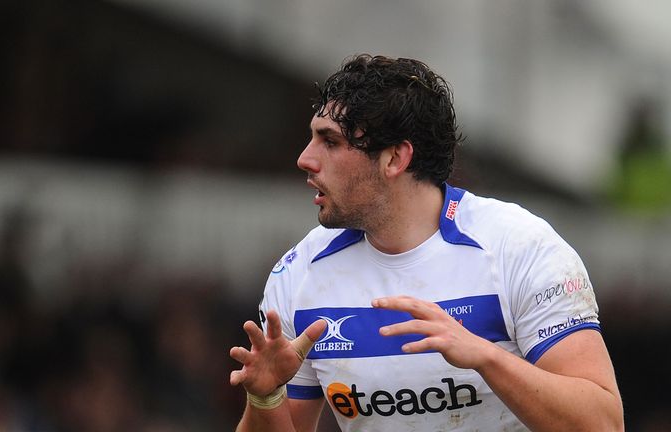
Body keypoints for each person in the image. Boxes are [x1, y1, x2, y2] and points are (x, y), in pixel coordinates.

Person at [229, 54, 623, 431]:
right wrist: (264, 400)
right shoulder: (300, 273)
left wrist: (486, 356)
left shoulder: (520, 249)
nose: (304, 159)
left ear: (395, 159)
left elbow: (603, 423)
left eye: (330, 142)